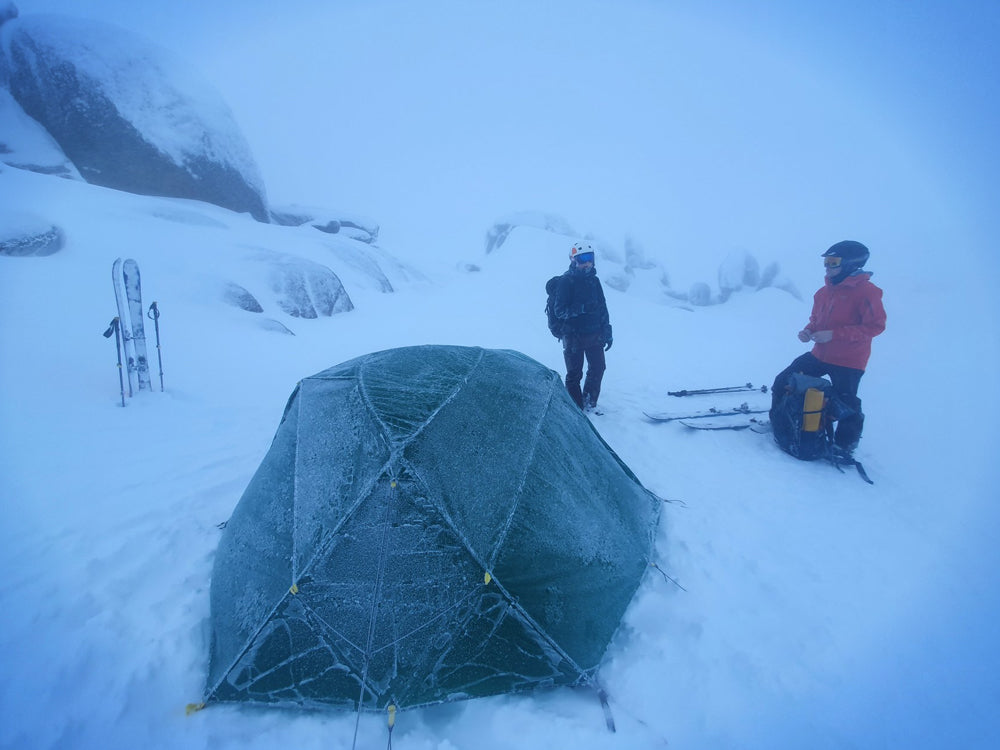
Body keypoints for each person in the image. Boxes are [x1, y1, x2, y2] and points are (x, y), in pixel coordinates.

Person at [770, 240, 887, 455]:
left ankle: (844, 445)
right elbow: (816, 321)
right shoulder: (823, 293)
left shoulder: (867, 292)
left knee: (847, 403)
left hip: (849, 360)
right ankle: (780, 422)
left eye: (833, 262)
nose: (827, 267)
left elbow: (875, 326)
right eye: (826, 261)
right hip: (820, 354)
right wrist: (808, 331)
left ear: (852, 264)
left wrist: (834, 335)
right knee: (783, 381)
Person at [550, 242, 613, 411]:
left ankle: (588, 402)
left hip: (594, 333)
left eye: (590, 258)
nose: (587, 263)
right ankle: (575, 409)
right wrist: (583, 308)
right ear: (573, 260)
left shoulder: (594, 281)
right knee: (574, 375)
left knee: (598, 367)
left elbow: (602, 306)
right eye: (582, 258)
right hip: (573, 336)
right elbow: (559, 311)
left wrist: (607, 329)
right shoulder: (566, 282)